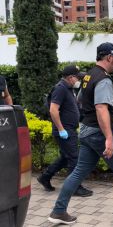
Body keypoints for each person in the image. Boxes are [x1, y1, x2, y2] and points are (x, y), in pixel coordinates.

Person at [48, 42, 113, 225]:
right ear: (109, 57)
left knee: (78, 171)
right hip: (99, 132)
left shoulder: (89, 75)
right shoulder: (103, 79)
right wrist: (109, 138)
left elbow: (81, 101)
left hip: (87, 130)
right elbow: (101, 108)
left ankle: (58, 211)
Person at [37, 65, 93, 197]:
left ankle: (45, 177)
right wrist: (61, 129)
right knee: (74, 158)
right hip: (65, 131)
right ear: (70, 77)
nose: (78, 80)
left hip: (69, 129)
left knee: (65, 158)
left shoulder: (68, 88)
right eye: (77, 77)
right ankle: (74, 187)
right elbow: (53, 110)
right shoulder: (61, 89)